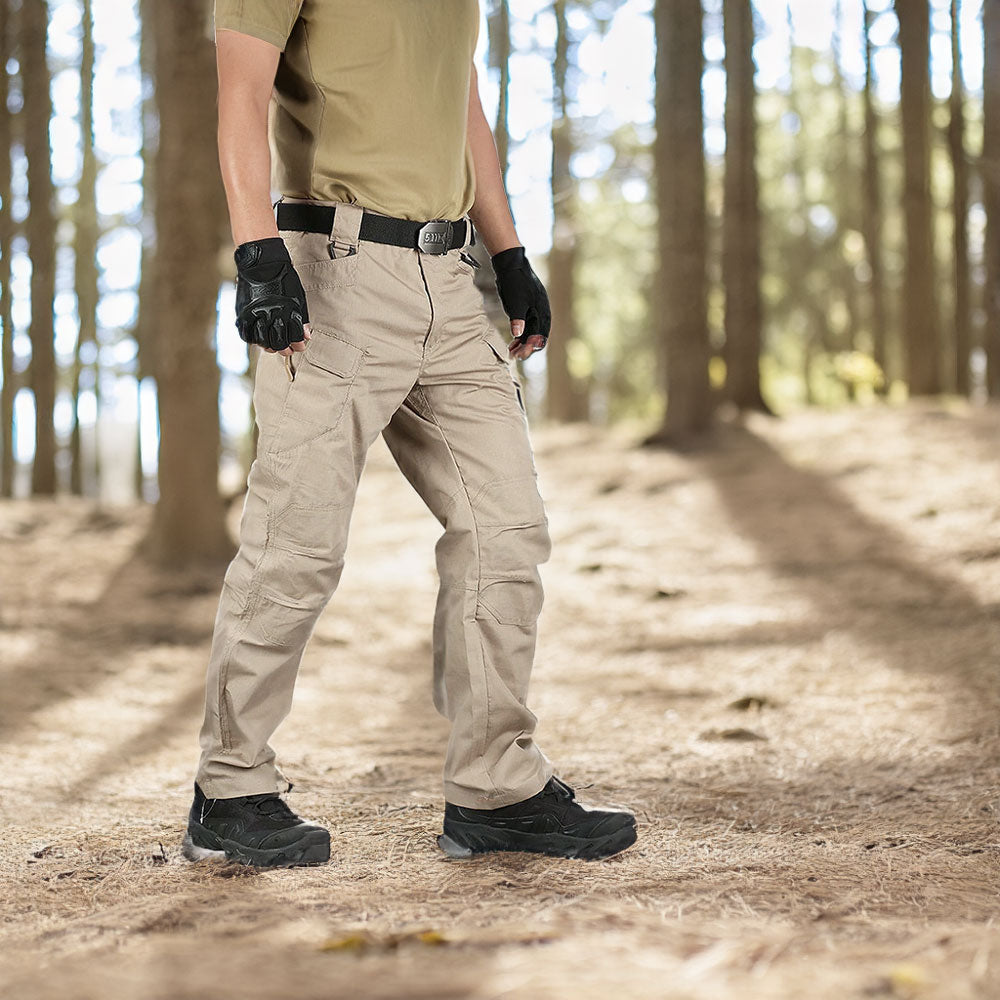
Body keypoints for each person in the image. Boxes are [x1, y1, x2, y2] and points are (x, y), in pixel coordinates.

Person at [182, 0, 637, 868]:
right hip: (333, 274)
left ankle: (496, 789)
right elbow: (238, 94)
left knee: (506, 529)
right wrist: (257, 253)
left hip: (452, 280)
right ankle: (230, 788)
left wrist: (507, 251)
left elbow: (458, 95)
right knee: (298, 543)